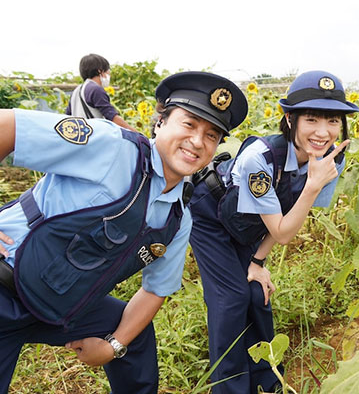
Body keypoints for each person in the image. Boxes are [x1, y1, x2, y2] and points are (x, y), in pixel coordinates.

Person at [0, 71, 247, 393]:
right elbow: (6, 126)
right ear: (160, 123)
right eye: (189, 124)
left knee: (131, 332)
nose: (198, 141)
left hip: (62, 303)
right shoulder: (110, 147)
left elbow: (156, 290)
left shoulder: (178, 216)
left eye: (212, 135)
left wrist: (112, 346)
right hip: (5, 284)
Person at [188, 70, 359, 393]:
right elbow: (283, 230)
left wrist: (257, 262)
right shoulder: (261, 159)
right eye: (311, 119)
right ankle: (228, 387)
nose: (323, 133)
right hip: (210, 215)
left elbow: (289, 216)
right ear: (289, 118)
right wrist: (311, 186)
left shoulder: (330, 161)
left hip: (251, 223)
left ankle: (266, 382)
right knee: (230, 299)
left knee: (257, 292)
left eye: (334, 121)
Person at [66, 53, 136, 132]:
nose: (109, 73)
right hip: (94, 138)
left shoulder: (76, 91)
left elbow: (67, 116)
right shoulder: (95, 89)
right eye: (107, 70)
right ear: (100, 71)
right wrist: (137, 134)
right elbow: (112, 117)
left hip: (79, 138)